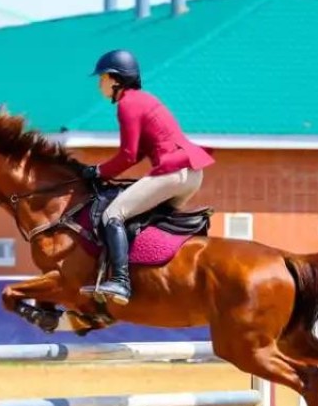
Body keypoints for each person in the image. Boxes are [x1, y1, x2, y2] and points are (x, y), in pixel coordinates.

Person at [79, 48, 216, 306]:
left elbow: (128, 155)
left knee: (112, 215)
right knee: (143, 220)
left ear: (116, 79)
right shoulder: (144, 100)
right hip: (191, 174)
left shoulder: (127, 104)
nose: (99, 84)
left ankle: (120, 281)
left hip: (172, 172)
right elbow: (139, 153)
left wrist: (97, 171)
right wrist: (103, 170)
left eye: (102, 78)